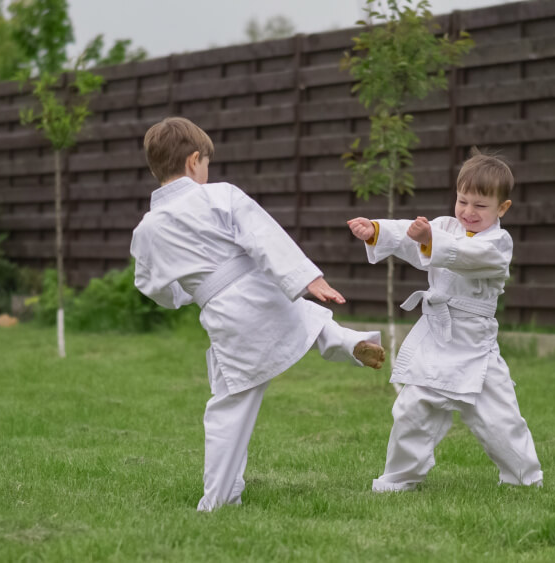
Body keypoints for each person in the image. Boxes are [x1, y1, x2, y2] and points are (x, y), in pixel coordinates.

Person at [131, 117, 386, 511]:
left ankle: (218, 498)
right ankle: (349, 341)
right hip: (262, 290)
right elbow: (264, 237)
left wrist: (188, 292)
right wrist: (308, 279)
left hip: (222, 310)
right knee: (303, 316)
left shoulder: (147, 228)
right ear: (194, 161)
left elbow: (153, 285)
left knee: (231, 406)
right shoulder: (218, 196)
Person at [346, 151, 542, 491]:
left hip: (474, 347)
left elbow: (465, 256)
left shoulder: (498, 244)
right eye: (462, 201)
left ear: (502, 208)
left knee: (499, 421)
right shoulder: (444, 227)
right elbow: (411, 238)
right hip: (436, 339)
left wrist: (429, 240)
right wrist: (376, 231)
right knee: (411, 410)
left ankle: (524, 480)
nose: (468, 211)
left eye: (480, 206)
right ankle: (399, 479)